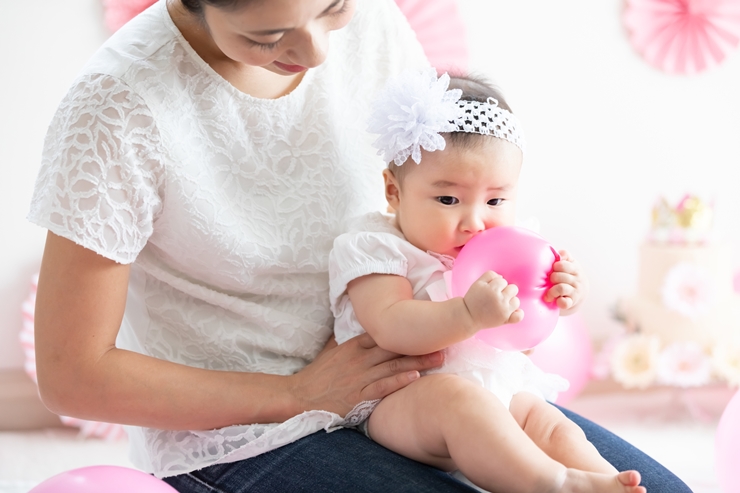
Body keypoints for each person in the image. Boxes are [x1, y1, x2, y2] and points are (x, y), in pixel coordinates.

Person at [26, 0, 693, 491]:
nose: (317, 51)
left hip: (427, 381)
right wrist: (296, 393)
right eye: (268, 34)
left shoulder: (373, 24)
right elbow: (72, 374)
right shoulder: (118, 109)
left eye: (332, 8)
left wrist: (520, 276)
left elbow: (447, 198)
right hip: (248, 432)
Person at [328, 69, 645, 493]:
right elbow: (391, 325)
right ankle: (554, 483)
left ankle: (607, 480)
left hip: (500, 387)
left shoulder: (510, 248)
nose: (475, 222)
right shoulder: (379, 247)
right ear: (394, 192)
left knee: (553, 427)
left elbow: (524, 333)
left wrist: (562, 294)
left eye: (496, 200)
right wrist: (466, 313)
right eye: (447, 199)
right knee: (462, 403)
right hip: (400, 397)